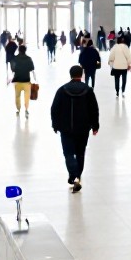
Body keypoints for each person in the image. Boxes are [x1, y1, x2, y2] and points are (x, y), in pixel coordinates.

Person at [50, 65, 100, 193]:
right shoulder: (88, 90)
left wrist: (55, 124)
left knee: (68, 153)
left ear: (70, 74)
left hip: (66, 128)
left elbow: (55, 109)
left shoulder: (62, 90)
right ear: (82, 74)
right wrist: (95, 126)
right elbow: (94, 109)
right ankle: (77, 176)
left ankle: (74, 175)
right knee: (80, 153)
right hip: (83, 128)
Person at [10, 45, 36, 118]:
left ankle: (18, 110)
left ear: (19, 50)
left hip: (17, 80)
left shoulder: (15, 58)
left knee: (17, 96)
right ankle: (26, 109)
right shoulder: (29, 59)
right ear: (25, 50)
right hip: (26, 80)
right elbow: (32, 69)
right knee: (26, 96)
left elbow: (13, 69)